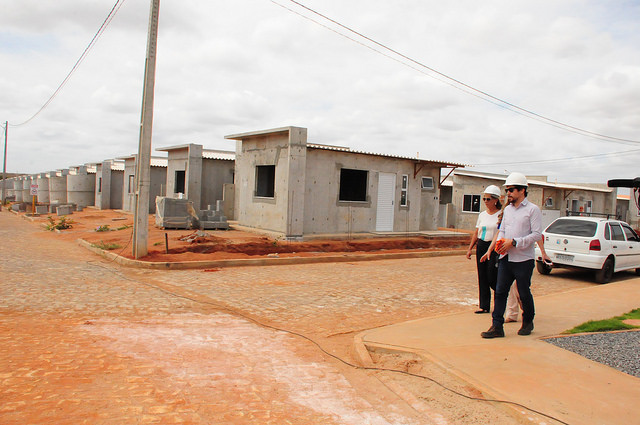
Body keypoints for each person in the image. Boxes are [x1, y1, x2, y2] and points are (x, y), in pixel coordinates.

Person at [481, 172, 542, 338]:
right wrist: (501, 244)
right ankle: (497, 326)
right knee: (500, 291)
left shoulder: (533, 210)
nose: (508, 193)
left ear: (522, 190)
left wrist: (515, 242)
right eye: (507, 189)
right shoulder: (507, 210)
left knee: (523, 292)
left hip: (524, 259)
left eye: (512, 189)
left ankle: (528, 320)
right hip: (506, 258)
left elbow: (537, 235)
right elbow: (503, 230)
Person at [466, 185, 502, 314]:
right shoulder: (482, 215)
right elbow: (477, 232)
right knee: (482, 275)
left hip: (494, 247)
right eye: (484, 199)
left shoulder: (501, 215)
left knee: (492, 275)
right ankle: (484, 305)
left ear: (495, 200)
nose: (485, 202)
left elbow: (500, 232)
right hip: (482, 245)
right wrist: (470, 248)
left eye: (488, 199)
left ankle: (501, 300)